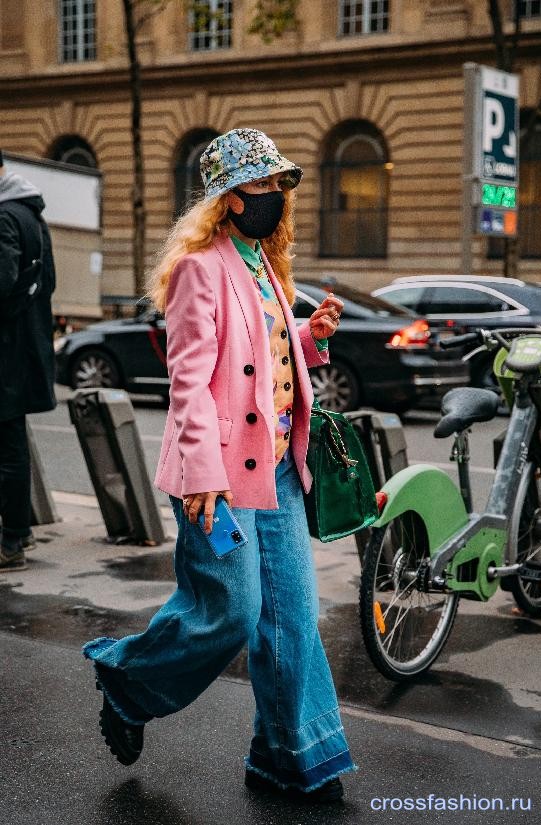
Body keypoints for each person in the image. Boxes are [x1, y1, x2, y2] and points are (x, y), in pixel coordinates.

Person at [83, 128, 354, 803]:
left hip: (279, 472)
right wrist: (204, 472)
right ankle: (128, 682)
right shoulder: (199, 267)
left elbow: (262, 364)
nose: (275, 197)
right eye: (262, 186)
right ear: (229, 198)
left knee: (291, 615)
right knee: (230, 611)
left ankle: (289, 754)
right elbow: (190, 382)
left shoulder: (264, 262)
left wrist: (309, 338)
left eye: (278, 186)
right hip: (218, 478)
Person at [0, 150, 56, 571]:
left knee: (8, 449)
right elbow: (48, 282)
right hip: (25, 348)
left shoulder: (4, 218)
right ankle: (20, 532)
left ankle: (12, 541)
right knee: (12, 443)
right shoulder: (32, 215)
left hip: (5, 351)